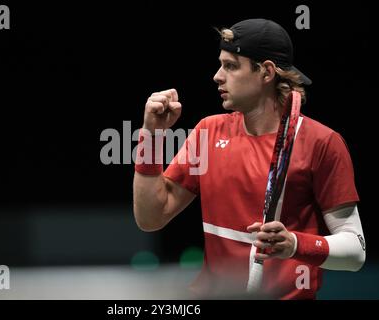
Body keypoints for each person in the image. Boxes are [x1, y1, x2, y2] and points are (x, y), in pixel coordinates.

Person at [132, 18, 365, 299]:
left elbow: (355, 251)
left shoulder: (322, 143)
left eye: (230, 66)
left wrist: (294, 244)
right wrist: (152, 136)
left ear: (266, 72)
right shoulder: (208, 131)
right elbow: (150, 217)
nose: (217, 76)